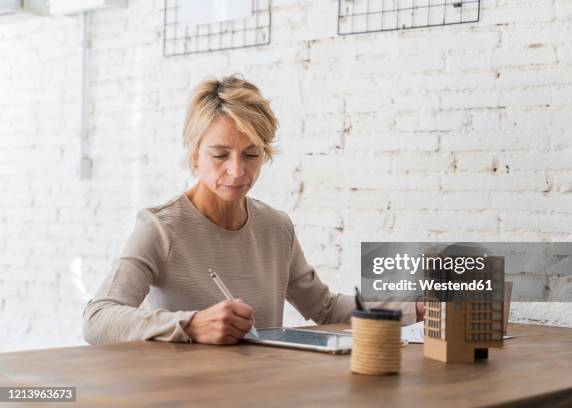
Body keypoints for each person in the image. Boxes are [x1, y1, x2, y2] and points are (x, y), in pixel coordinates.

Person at [82, 75, 423, 345]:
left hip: (261, 389)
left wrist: (416, 307)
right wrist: (191, 324)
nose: (237, 171)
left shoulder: (276, 228)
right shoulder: (160, 227)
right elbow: (98, 319)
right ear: (193, 156)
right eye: (219, 155)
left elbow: (326, 308)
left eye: (251, 154)